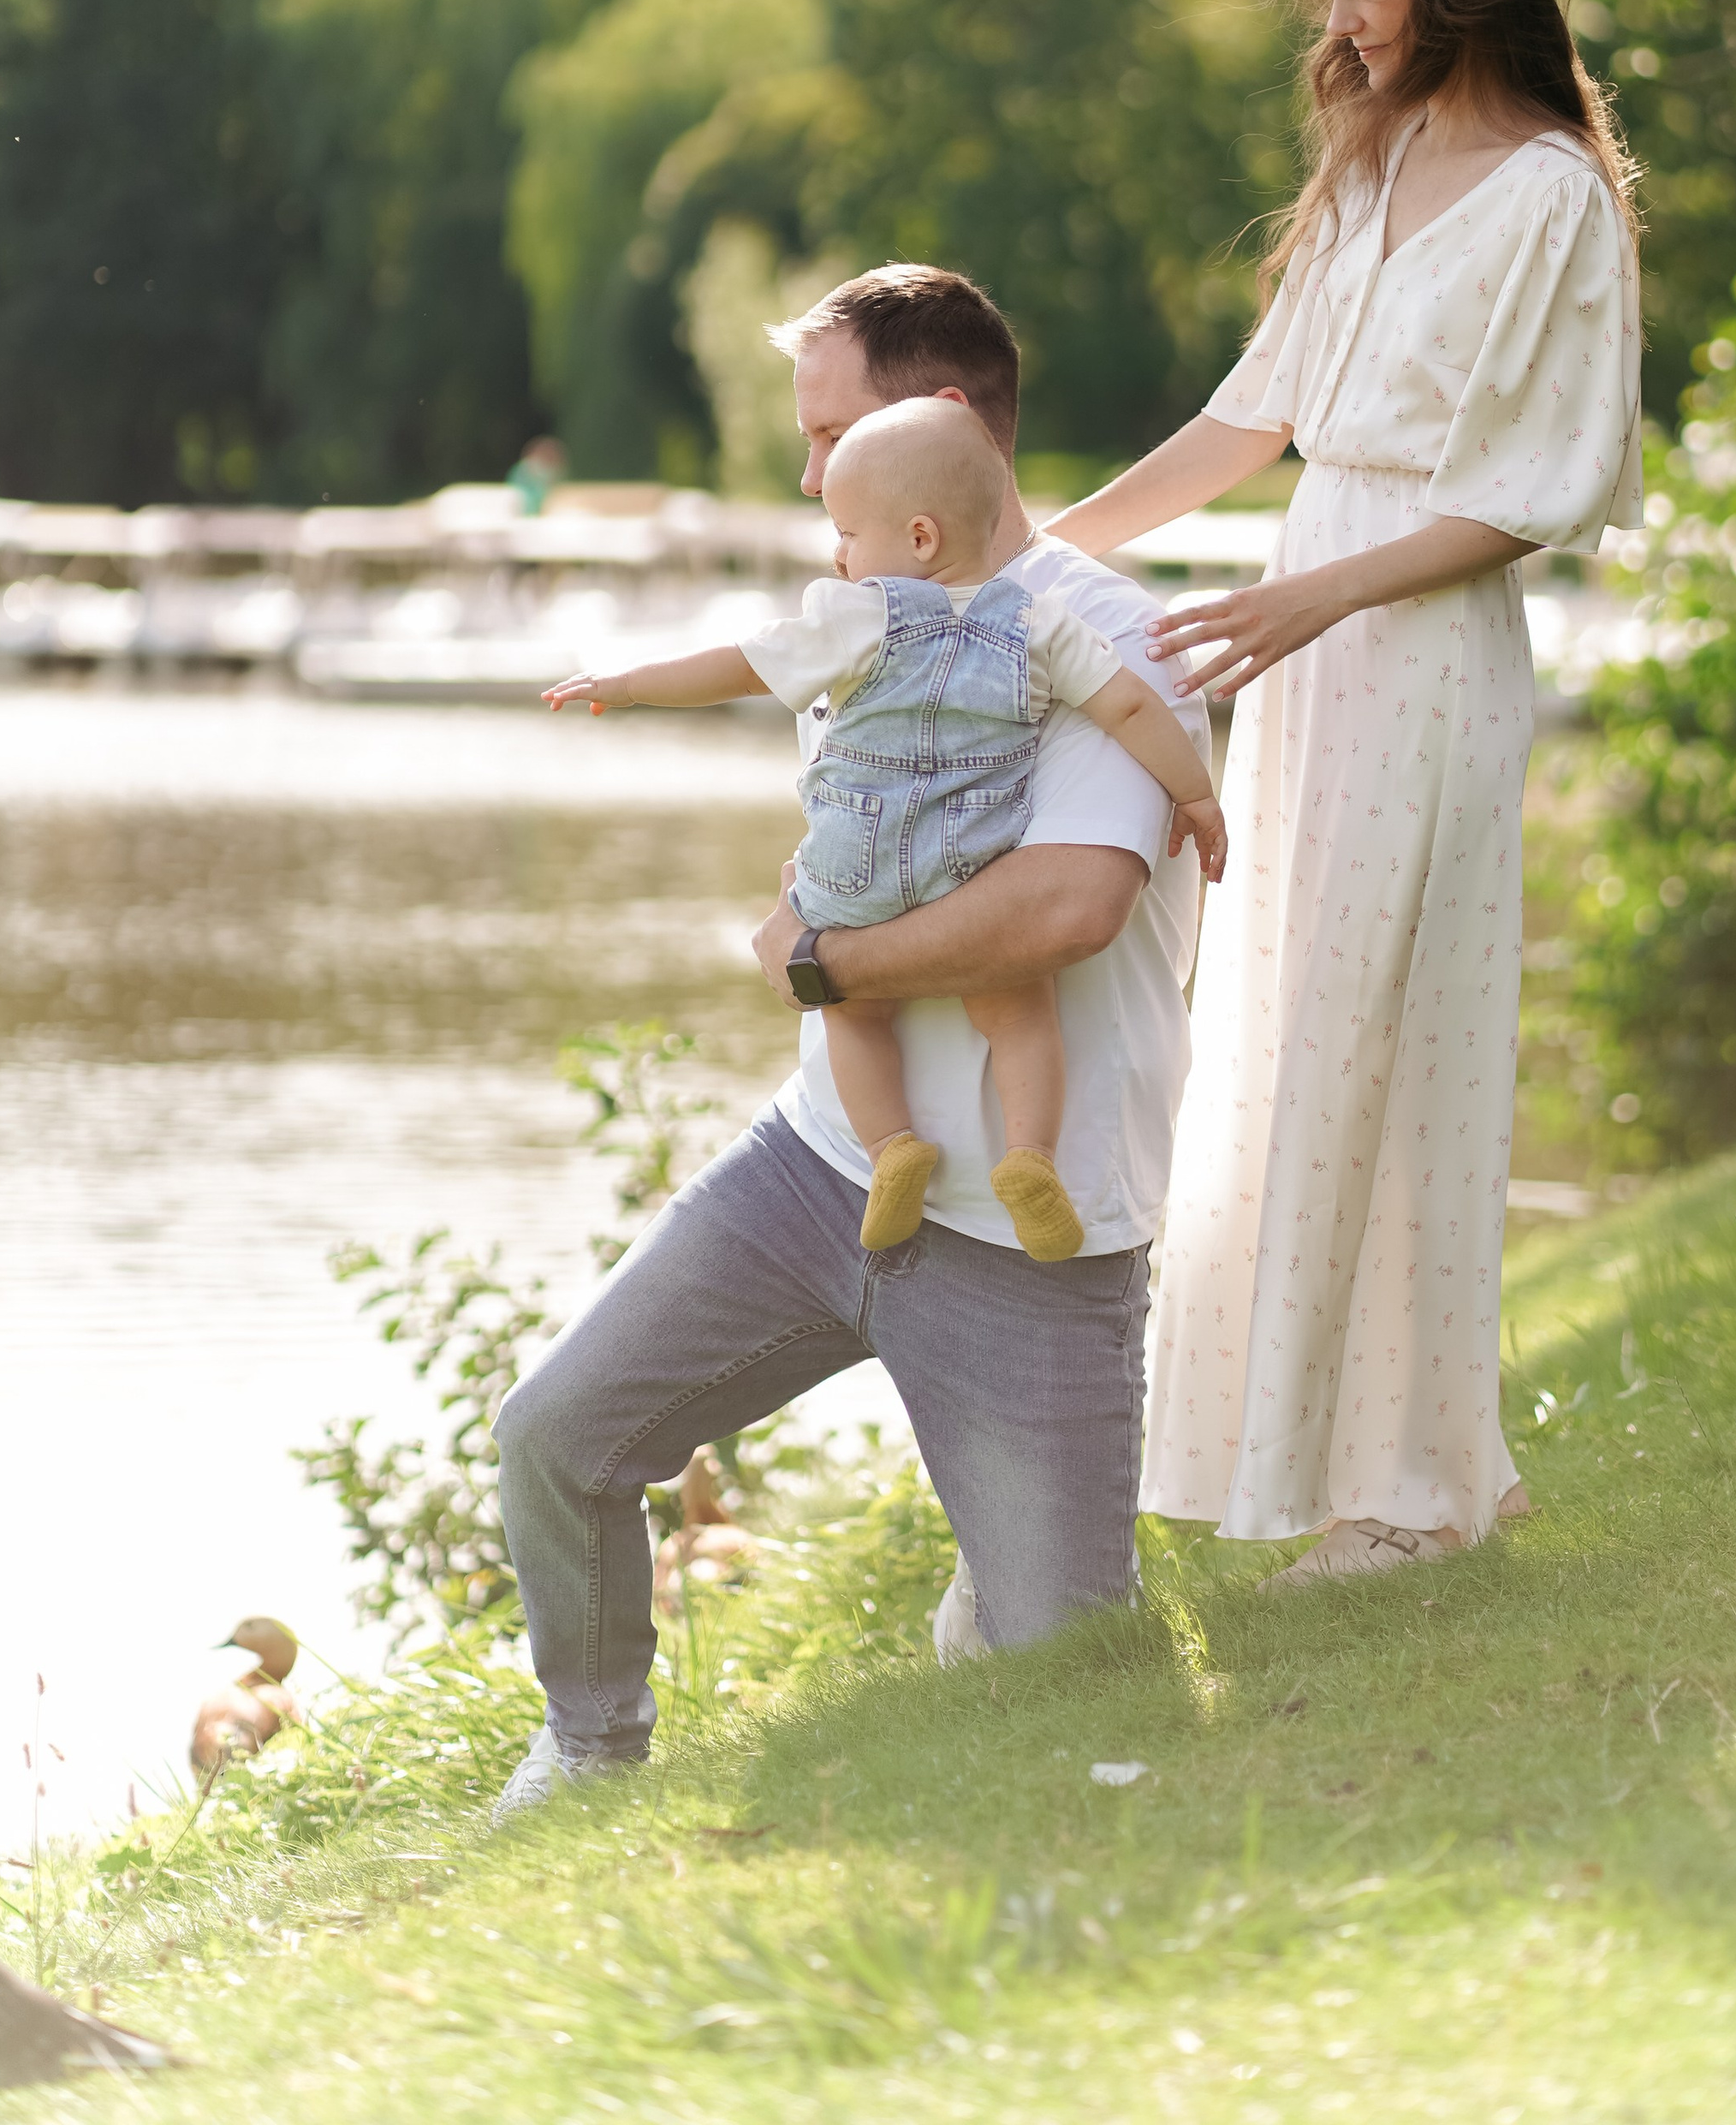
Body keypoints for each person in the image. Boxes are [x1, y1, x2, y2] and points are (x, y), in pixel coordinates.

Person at [492, 265, 1211, 1815]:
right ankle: (592, 1749)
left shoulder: (1101, 639)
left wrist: (822, 960)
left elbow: (1070, 906)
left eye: (830, 437)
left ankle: (1003, 1611)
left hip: (1031, 1230)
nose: (813, 475)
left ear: (942, 426)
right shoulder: (870, 607)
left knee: (1068, 1682)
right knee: (556, 1437)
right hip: (821, 1166)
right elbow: (864, 818)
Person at [1048, 0, 1643, 1583]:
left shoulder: (1553, 198)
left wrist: (1306, 593)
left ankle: (1407, 1484)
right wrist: (1025, 556)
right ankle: (1326, 1455)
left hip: (1418, 642)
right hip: (1304, 651)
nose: (1349, 20)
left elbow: (1530, 486)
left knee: (1404, 1043)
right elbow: (1251, 423)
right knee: (1288, 1034)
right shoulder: (1369, 171)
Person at [544, 396, 1225, 1263]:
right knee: (1019, 1012)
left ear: (919, 539)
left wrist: (633, 683)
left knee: (851, 1008)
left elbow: (742, 665)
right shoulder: (1041, 625)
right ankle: (1029, 1159)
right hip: (977, 860)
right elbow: (1128, 703)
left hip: (855, 862)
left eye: (848, 533)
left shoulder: (857, 616)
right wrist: (1196, 796)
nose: (838, 553)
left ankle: (892, 1146)